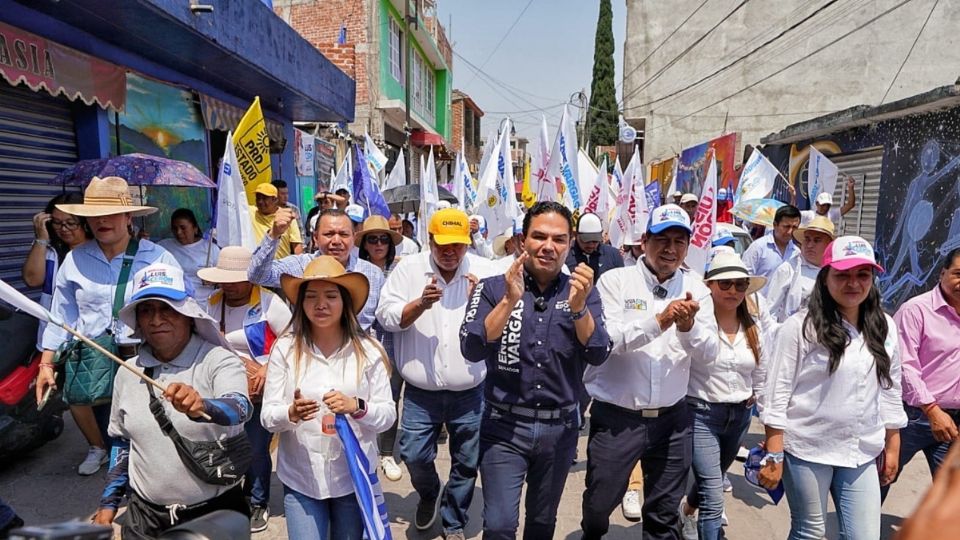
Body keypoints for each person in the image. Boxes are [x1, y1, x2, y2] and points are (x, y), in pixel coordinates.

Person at [460, 201, 612, 539]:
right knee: (499, 525)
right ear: (521, 241)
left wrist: (578, 309)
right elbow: (471, 348)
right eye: (539, 236)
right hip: (504, 427)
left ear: (570, 244)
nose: (548, 246)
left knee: (542, 524)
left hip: (559, 430)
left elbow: (599, 352)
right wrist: (508, 302)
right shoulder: (493, 287)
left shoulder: (584, 290)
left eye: (559, 239)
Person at [759, 236, 907, 540]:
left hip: (861, 451)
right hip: (808, 449)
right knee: (809, 531)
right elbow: (777, 393)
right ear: (825, 278)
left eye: (862, 275)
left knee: (864, 535)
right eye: (843, 275)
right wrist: (774, 454)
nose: (853, 283)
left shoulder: (885, 326)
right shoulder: (800, 327)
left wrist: (892, 445)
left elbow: (891, 388)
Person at [92, 263, 253, 538]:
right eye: (146, 310)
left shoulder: (217, 359)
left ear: (189, 314)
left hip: (213, 516)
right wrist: (108, 504)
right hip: (145, 519)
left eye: (167, 308)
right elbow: (122, 441)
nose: (156, 320)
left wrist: (204, 405)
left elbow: (240, 407)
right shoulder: (127, 372)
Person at [34, 176, 180, 476]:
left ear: (128, 216)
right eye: (95, 215)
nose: (103, 221)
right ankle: (121, 488)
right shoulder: (75, 260)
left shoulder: (157, 258)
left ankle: (152, 490)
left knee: (152, 432)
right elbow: (61, 315)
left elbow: (179, 310)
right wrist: (46, 366)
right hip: (96, 363)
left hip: (145, 361)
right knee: (113, 432)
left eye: (111, 213)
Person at [581, 204, 707, 539]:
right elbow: (609, 341)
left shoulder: (699, 287)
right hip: (617, 419)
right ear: (645, 240)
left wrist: (688, 327)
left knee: (663, 514)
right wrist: (660, 321)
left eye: (679, 241)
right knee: (598, 504)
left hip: (672, 420)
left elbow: (708, 352)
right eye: (662, 239)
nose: (670, 248)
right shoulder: (615, 281)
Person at [375, 208, 497, 539]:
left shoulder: (485, 271)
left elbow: (511, 310)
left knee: (467, 462)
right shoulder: (408, 270)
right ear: (429, 240)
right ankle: (430, 492)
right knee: (413, 454)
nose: (449, 252)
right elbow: (386, 317)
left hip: (470, 392)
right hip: (420, 392)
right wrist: (419, 305)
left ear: (468, 242)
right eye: (442, 244)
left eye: (457, 245)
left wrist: (483, 302)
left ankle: (454, 521)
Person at [261, 256, 395, 540]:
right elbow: (268, 416)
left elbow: (387, 415)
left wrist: (357, 407)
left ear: (345, 301)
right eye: (311, 297)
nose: (320, 304)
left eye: (331, 296)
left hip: (351, 479)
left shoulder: (369, 350)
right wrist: (291, 413)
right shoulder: (285, 348)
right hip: (301, 480)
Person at [197, 246, 292, 533]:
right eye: (225, 280)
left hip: (260, 388)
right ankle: (229, 495)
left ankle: (257, 500)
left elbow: (292, 336)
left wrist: (267, 367)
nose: (230, 286)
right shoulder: (212, 302)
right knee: (225, 444)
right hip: (223, 384)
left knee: (255, 447)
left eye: (236, 280)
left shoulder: (268, 303)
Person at [677, 249, 769, 540]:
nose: (733, 290)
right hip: (701, 414)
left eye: (740, 284)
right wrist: (688, 326)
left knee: (710, 479)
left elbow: (762, 373)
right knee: (714, 493)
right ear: (710, 286)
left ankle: (687, 512)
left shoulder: (754, 326)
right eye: (725, 283)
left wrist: (771, 427)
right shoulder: (696, 320)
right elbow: (689, 350)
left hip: (740, 416)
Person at [882, 247, 960, 499]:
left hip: (954, 422)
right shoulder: (916, 310)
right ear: (942, 273)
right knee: (882, 476)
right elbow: (904, 366)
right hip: (912, 418)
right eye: (958, 274)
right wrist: (932, 409)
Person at [247, 208, 384, 331]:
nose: (336, 240)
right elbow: (257, 276)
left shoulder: (373, 274)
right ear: (315, 238)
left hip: (357, 355)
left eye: (343, 234)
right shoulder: (300, 266)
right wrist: (273, 235)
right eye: (329, 234)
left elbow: (382, 327)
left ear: (354, 238)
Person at [356, 215, 406, 482]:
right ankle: (366, 449)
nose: (378, 244)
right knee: (362, 398)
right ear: (364, 243)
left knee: (390, 398)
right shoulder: (354, 270)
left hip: (392, 346)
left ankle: (386, 453)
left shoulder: (401, 270)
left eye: (383, 239)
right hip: (360, 346)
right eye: (372, 239)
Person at [22, 192, 92, 348]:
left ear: (86, 222)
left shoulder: (99, 251)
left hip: (87, 340)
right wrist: (41, 239)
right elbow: (32, 280)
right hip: (51, 338)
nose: (64, 229)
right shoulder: (49, 250)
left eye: (71, 223)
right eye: (57, 222)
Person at [765, 216, 835, 323]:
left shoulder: (835, 272)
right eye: (807, 239)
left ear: (829, 245)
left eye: (817, 240)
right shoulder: (789, 269)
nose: (810, 245)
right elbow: (770, 312)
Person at [157, 208, 219, 303]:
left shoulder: (211, 249)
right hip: (176, 303)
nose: (179, 232)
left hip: (205, 303)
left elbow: (224, 280)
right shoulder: (164, 247)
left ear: (195, 228)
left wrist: (214, 280)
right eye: (175, 228)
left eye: (183, 228)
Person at [741, 204, 801, 286]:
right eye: (786, 226)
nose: (790, 231)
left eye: (794, 227)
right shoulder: (758, 247)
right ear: (775, 225)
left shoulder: (796, 253)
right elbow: (745, 278)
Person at [566, 212, 624, 282]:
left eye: (595, 241)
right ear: (575, 235)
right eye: (586, 241)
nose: (591, 245)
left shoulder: (613, 255)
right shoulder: (565, 255)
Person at [251, 183, 303, 259]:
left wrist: (300, 266)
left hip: (281, 266)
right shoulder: (251, 212)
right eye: (258, 198)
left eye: (264, 198)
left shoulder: (287, 217)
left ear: (275, 200)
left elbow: (297, 245)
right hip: (258, 266)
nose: (260, 202)